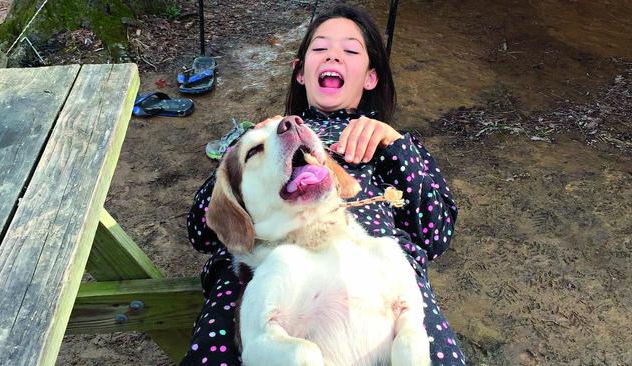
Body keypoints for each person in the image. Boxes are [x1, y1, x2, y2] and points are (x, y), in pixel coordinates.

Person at [181, 4, 464, 365]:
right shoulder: (260, 141)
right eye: (319, 48)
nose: (333, 54)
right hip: (257, 275)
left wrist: (394, 145)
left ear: (370, 77)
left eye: (350, 50)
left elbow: (435, 236)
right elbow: (200, 233)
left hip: (380, 287)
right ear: (300, 73)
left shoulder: (395, 146)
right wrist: (247, 147)